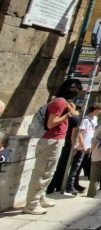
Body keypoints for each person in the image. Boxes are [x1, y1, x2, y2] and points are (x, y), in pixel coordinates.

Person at [24, 79, 82, 214]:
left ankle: (41, 197)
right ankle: (32, 204)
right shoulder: (60, 102)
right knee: (42, 173)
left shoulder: (62, 102)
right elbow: (51, 123)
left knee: (49, 172)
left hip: (56, 140)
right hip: (50, 140)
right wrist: (69, 114)